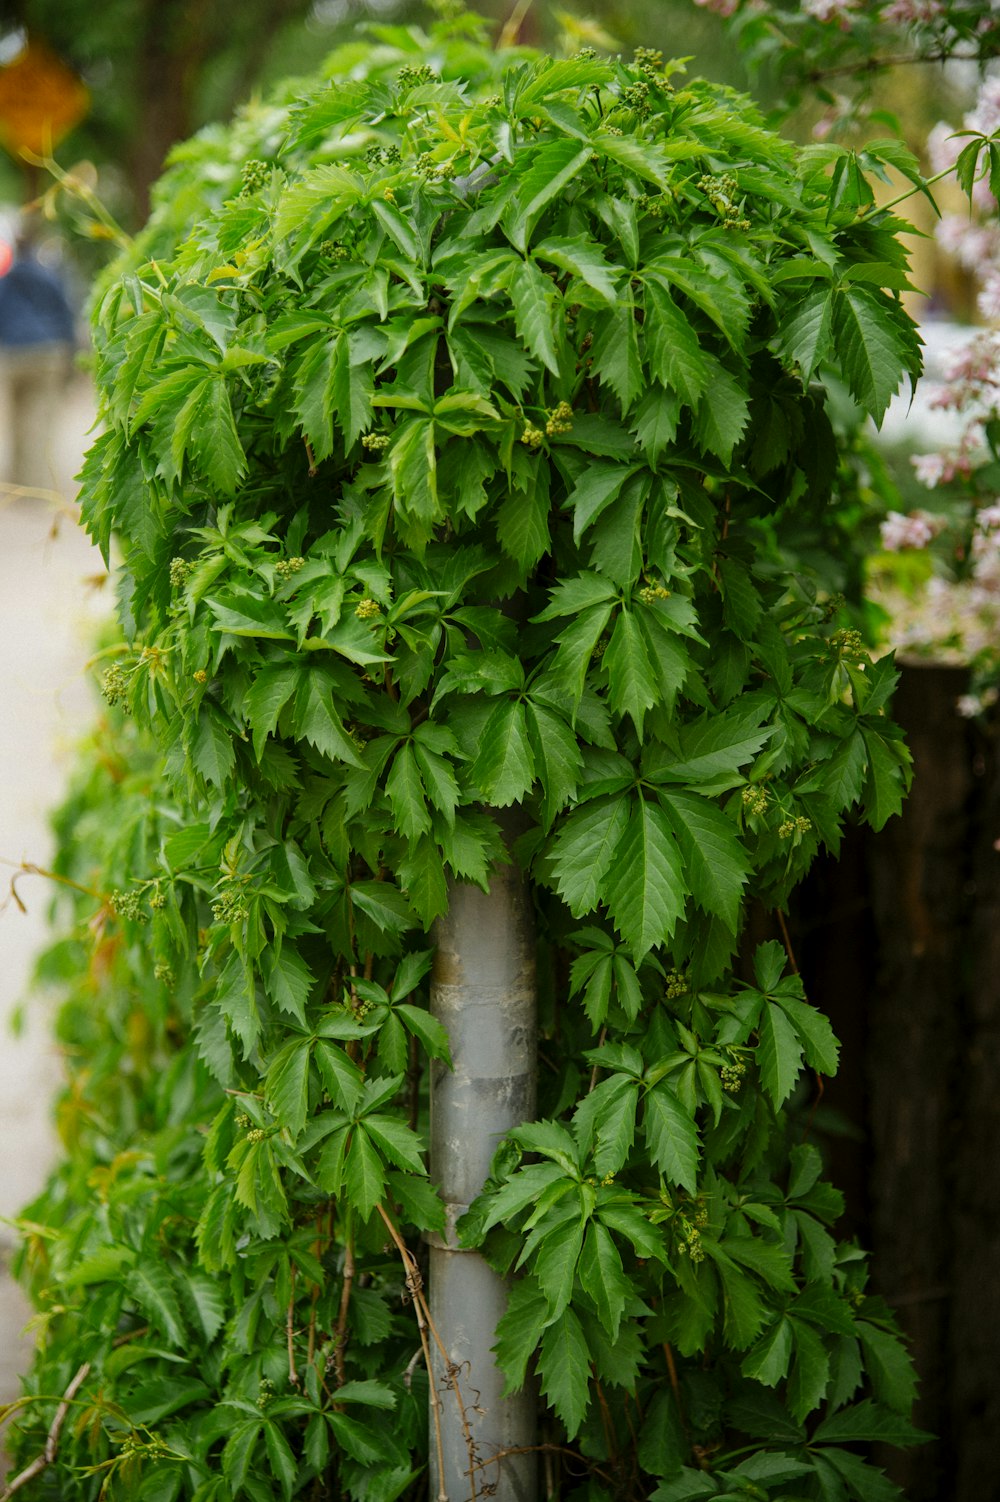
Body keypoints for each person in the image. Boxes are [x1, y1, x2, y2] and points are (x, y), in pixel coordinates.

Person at [0, 215, 76, 498]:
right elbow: (65, 314)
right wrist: (70, 355)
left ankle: (17, 480)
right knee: (39, 420)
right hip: (47, 353)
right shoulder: (50, 277)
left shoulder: (6, 280)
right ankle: (35, 485)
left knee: (15, 418)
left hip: (13, 354)